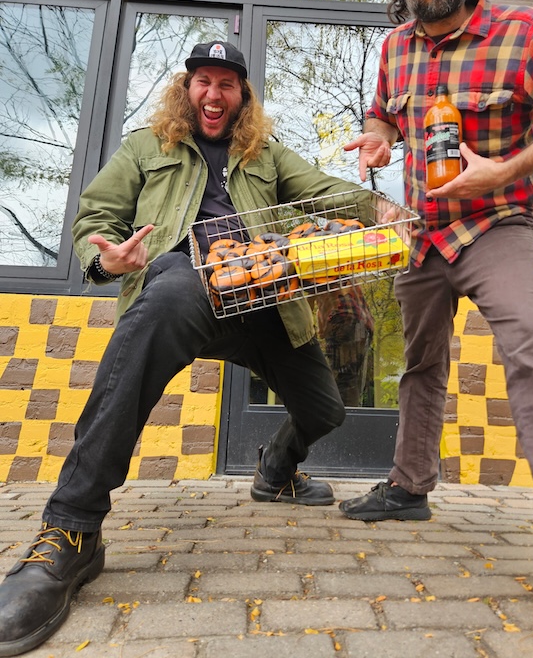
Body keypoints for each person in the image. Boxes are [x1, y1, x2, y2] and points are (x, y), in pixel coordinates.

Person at [0, 40, 373, 656]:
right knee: (170, 295)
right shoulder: (148, 148)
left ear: (242, 97)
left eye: (227, 84)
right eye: (204, 80)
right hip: (183, 285)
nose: (214, 93)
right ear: (187, 88)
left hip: (264, 296)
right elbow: (95, 214)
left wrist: (386, 205)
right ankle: (70, 531)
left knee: (326, 410)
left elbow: (327, 190)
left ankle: (275, 468)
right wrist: (107, 254)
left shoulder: (268, 156)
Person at [340, 0, 533, 658]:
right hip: (423, 236)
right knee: (420, 363)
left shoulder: (522, 33)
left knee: (532, 347)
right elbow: (385, 113)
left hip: (499, 225)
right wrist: (381, 137)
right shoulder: (394, 48)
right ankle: (409, 487)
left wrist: (511, 167)